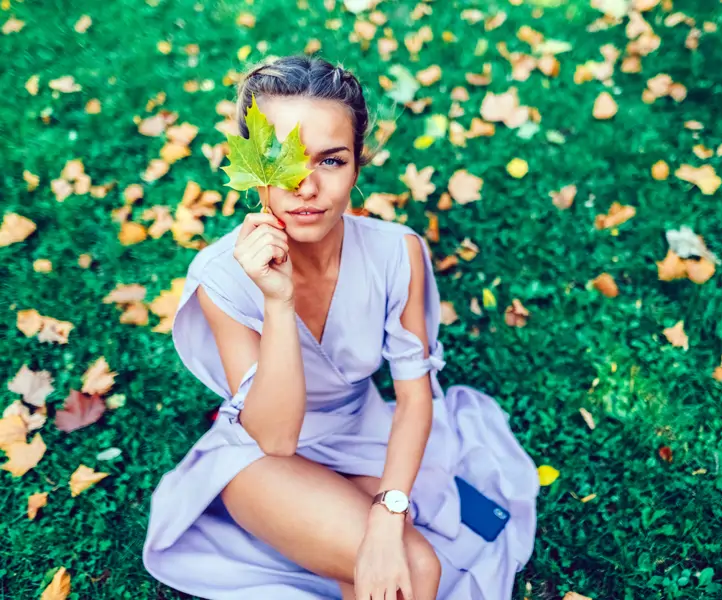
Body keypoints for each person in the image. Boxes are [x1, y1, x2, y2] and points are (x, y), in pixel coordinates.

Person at [142, 55, 539, 600]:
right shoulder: (220, 279)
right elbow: (276, 438)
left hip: (365, 435)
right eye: (282, 160)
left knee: (393, 562)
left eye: (331, 160)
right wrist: (277, 301)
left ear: (357, 165)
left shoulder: (396, 252)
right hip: (261, 459)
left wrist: (385, 515)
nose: (306, 186)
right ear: (251, 163)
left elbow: (415, 397)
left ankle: (342, 542)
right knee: (417, 570)